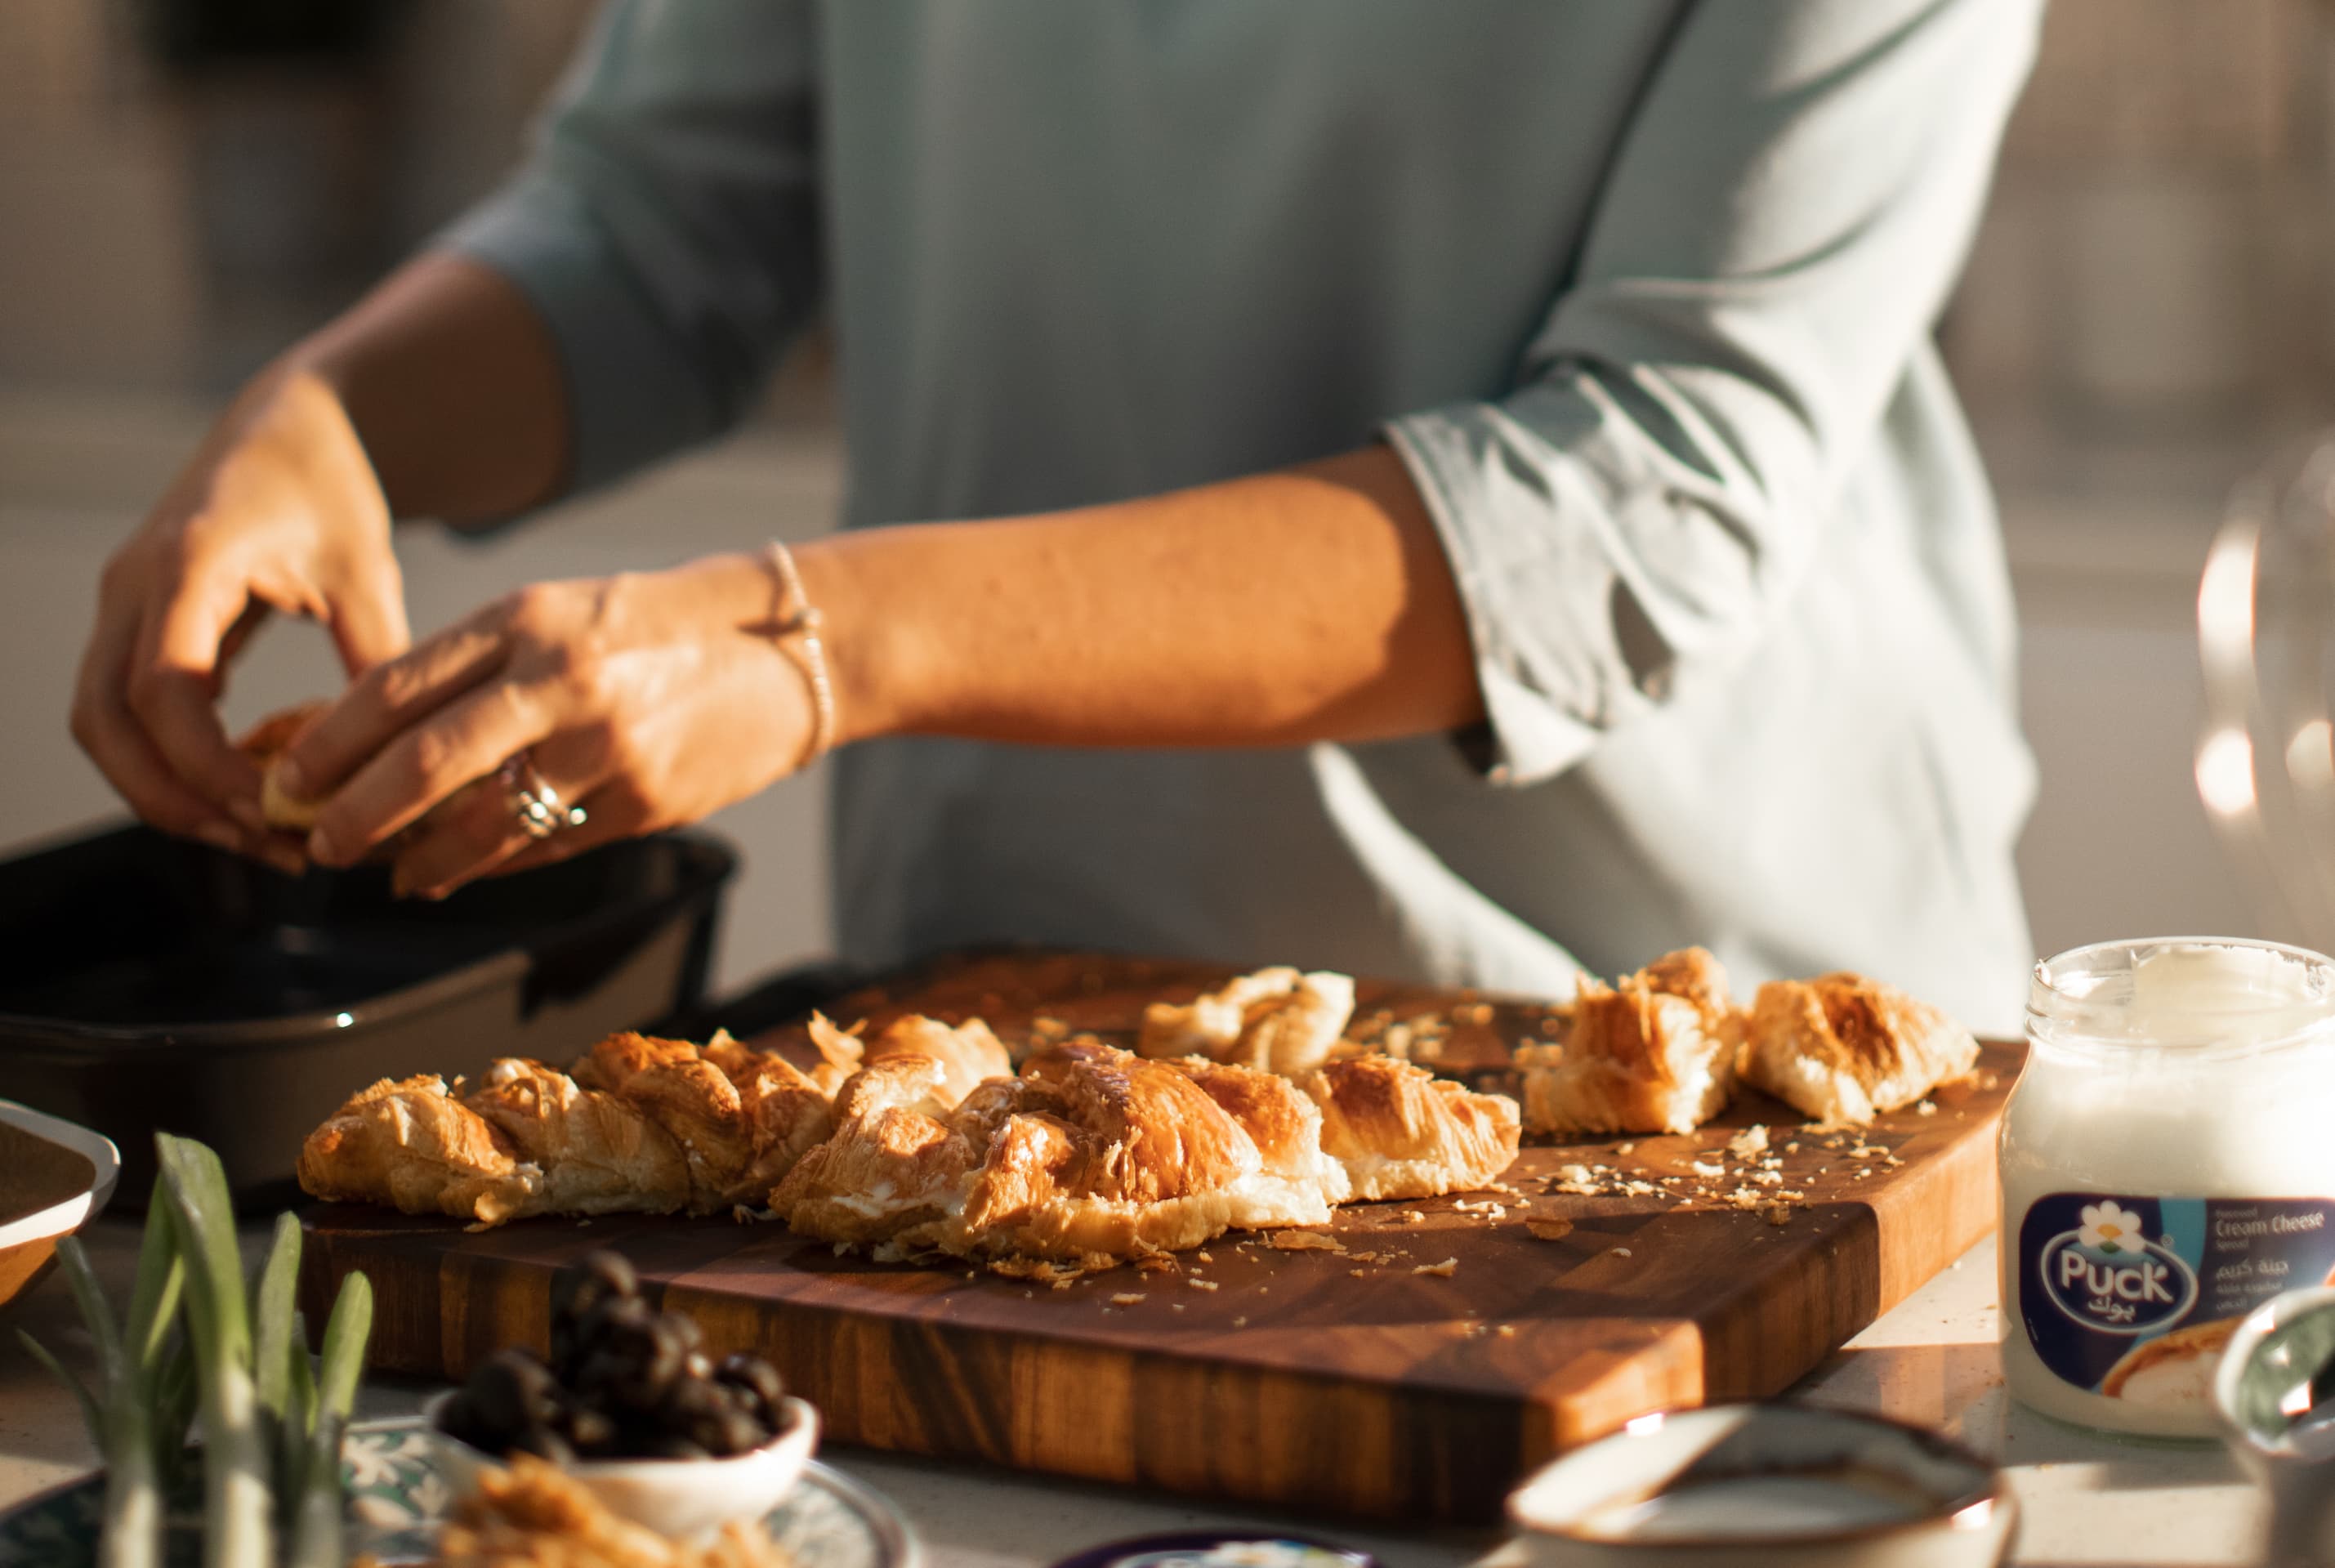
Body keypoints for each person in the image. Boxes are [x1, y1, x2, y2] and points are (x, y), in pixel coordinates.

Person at [72, 0, 2044, 1033]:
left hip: (1673, 1068)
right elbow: (659, 221)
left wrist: (819, 642)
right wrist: (331, 422)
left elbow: (1638, 497)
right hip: (1007, 1030)